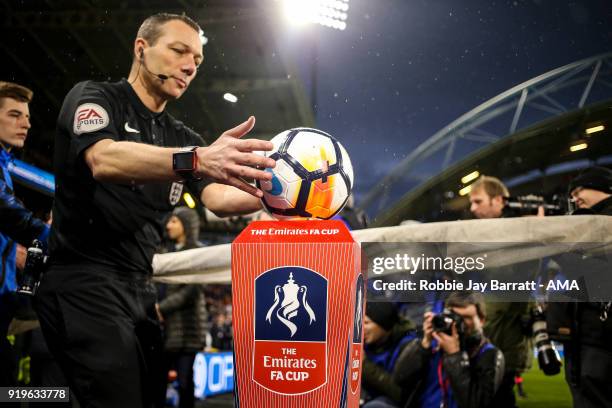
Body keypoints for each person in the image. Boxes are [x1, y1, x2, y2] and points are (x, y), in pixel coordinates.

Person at [34, 13, 275, 408]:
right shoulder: (94, 97)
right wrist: (195, 159)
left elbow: (217, 198)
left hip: (140, 288)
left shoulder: (180, 136)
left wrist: (281, 195)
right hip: (83, 281)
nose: (189, 66)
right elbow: (105, 160)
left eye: (197, 61)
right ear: (141, 49)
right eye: (179, 51)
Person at [547, 166, 612, 408]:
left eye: (579, 189)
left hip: (601, 337)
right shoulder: (589, 223)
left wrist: (558, 244)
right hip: (585, 334)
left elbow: (594, 276)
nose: (574, 197)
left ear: (603, 187)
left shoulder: (606, 222)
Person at [0, 81, 50, 387]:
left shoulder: (4, 164)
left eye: (27, 116)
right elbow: (7, 211)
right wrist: (54, 239)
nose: (27, 123)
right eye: (15, 114)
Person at [468, 176, 533, 408]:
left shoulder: (518, 232)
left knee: (497, 399)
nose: (472, 208)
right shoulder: (496, 234)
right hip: (496, 335)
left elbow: (510, 280)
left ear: (498, 201)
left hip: (503, 339)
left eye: (478, 201)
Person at [393, 292, 505, 408]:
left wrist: (455, 355)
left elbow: (475, 403)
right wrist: (424, 344)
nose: (458, 323)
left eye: (466, 318)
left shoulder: (489, 354)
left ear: (482, 320)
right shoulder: (435, 344)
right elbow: (400, 379)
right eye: (454, 316)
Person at [155, 207, 208, 408]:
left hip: (188, 331)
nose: (168, 225)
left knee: (185, 381)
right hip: (163, 329)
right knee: (157, 381)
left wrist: (161, 308)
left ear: (186, 226)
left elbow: (191, 290)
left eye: (174, 221)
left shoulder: (198, 251)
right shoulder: (163, 250)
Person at [361, 302, 416, 407]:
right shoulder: (367, 344)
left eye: (367, 323)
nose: (361, 328)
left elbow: (400, 394)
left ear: (383, 324)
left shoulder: (407, 346)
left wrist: (364, 364)